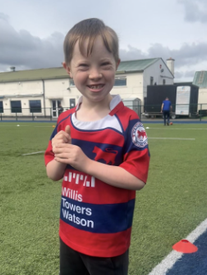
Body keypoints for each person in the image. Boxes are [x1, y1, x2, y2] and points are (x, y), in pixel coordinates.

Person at [44, 18, 150, 275]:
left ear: (117, 65)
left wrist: (86, 164)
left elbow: (137, 177)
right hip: (69, 233)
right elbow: (52, 173)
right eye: (84, 66)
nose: (95, 74)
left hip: (107, 242)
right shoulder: (64, 120)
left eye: (104, 64)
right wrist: (59, 156)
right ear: (68, 68)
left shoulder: (127, 122)